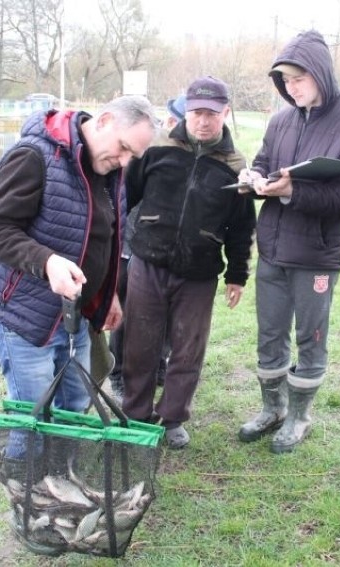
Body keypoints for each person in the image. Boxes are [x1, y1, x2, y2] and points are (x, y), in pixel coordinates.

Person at [0, 95, 158, 422]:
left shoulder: (110, 168)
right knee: (35, 417)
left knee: (76, 405)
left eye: (134, 156)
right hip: (23, 316)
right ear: (104, 121)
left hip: (76, 313)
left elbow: (107, 236)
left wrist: (108, 294)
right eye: (124, 148)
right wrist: (47, 262)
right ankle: (25, 472)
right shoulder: (33, 155)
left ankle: (65, 469)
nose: (126, 161)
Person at [236, 30, 340, 454]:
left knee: (311, 336)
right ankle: (272, 408)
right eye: (285, 81)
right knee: (269, 332)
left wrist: (291, 192)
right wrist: (253, 178)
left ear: (321, 74)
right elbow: (263, 162)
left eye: (299, 79)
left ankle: (299, 416)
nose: (291, 88)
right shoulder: (281, 120)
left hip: (317, 253)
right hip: (274, 247)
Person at [120, 77, 256, 449]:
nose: (203, 121)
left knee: (188, 348)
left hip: (199, 272)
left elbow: (242, 226)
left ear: (224, 113)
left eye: (212, 114)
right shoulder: (156, 147)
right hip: (148, 261)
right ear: (186, 109)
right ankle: (135, 414)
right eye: (197, 112)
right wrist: (116, 244)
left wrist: (237, 274)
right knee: (139, 343)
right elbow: (124, 198)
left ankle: (173, 417)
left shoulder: (234, 164)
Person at [107, 94, 185, 403]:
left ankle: (160, 362)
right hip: (132, 245)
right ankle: (118, 372)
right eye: (179, 121)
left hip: (168, 251)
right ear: (170, 121)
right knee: (126, 312)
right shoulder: (143, 149)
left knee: (164, 311)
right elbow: (123, 200)